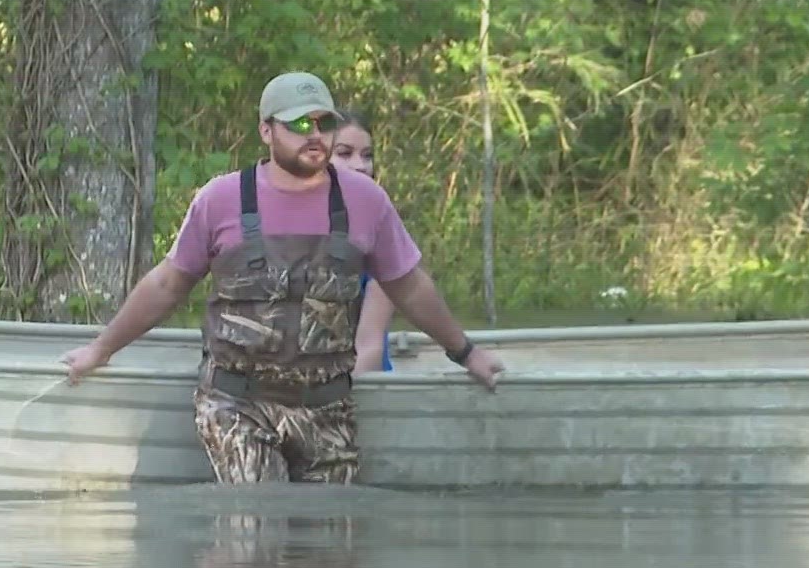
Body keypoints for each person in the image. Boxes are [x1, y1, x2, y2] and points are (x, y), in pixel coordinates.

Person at [60, 72, 505, 485]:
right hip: (237, 403)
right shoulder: (221, 199)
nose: (314, 135)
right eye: (298, 124)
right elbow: (167, 285)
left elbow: (408, 285)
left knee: (330, 550)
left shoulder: (367, 201)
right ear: (267, 131)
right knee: (257, 529)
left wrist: (466, 353)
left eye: (323, 123)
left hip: (327, 405)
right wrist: (101, 349)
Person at [331, 111, 394, 373]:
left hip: (363, 386)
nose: (360, 165)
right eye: (344, 153)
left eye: (367, 155)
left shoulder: (379, 232)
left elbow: (369, 347)